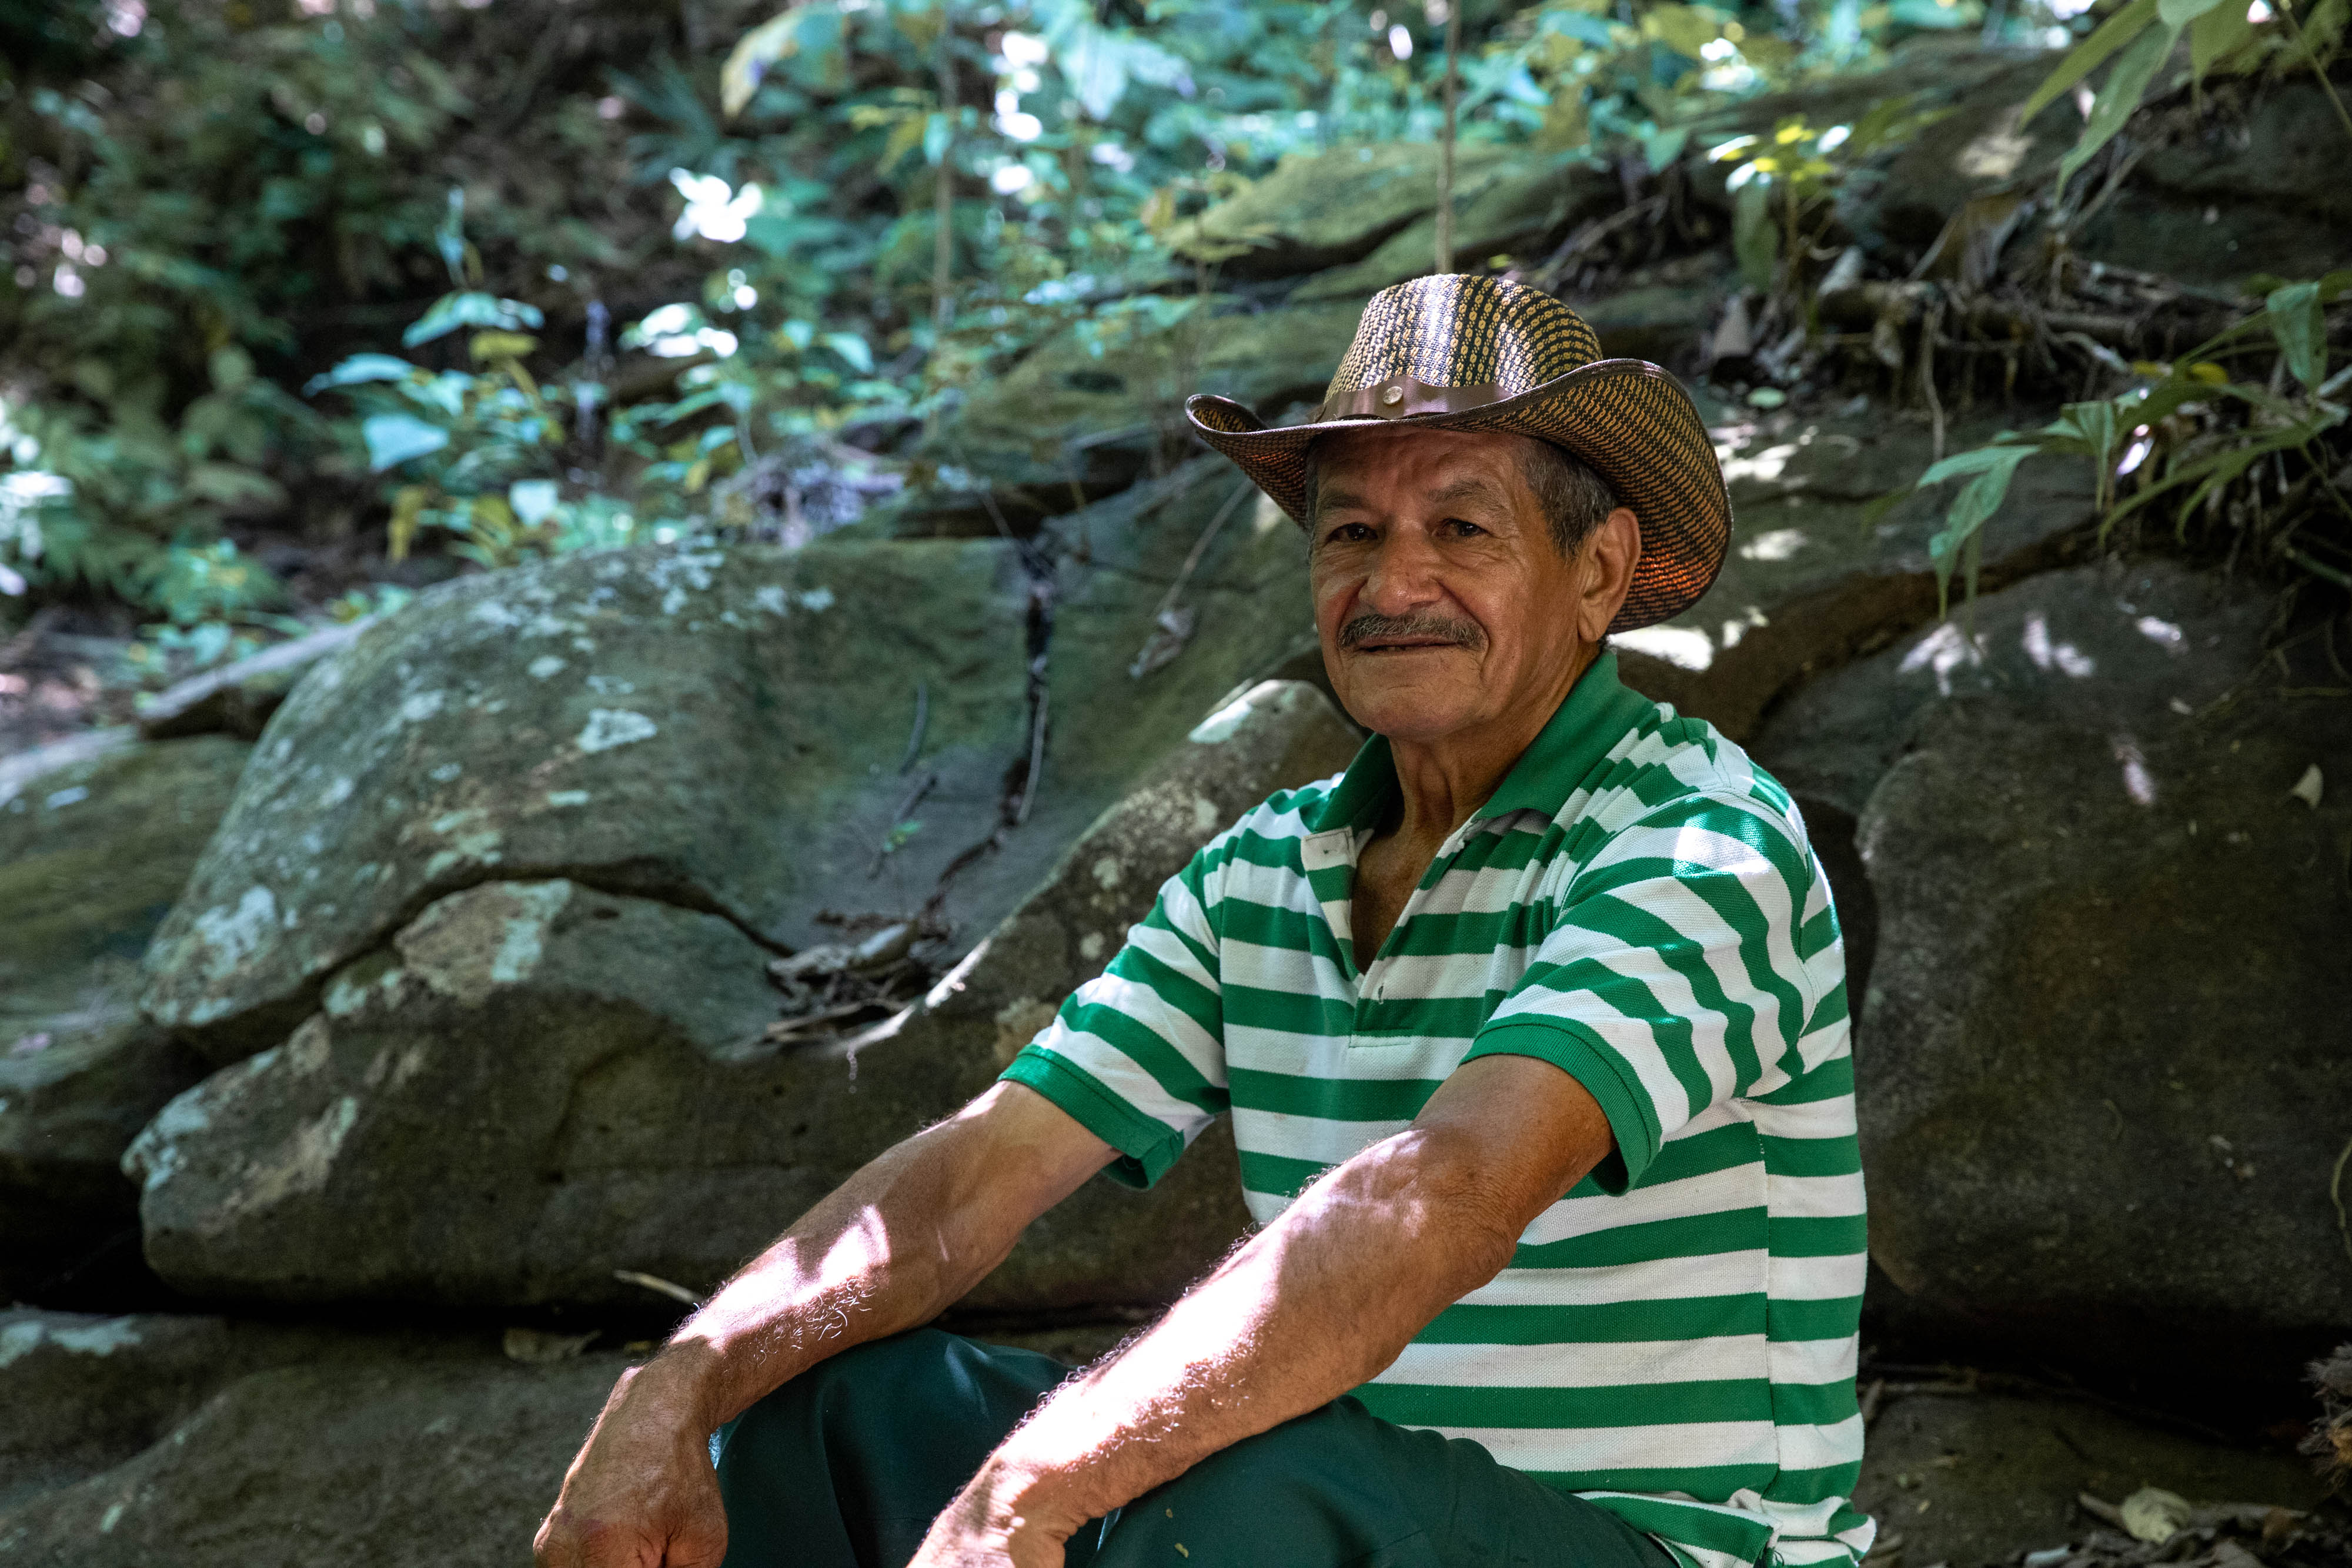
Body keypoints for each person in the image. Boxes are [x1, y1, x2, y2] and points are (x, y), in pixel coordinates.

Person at [534, 274, 1870, 1568]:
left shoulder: (1697, 841)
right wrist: (677, 1385)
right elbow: (973, 1177)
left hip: (1658, 1548)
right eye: (1350, 532)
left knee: (1238, 1484)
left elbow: (1444, 1192)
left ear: (1597, 571)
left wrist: (1028, 1490)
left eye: (1461, 529)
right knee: (837, 1409)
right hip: (1335, 1504)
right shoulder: (1267, 870)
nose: (1393, 583)